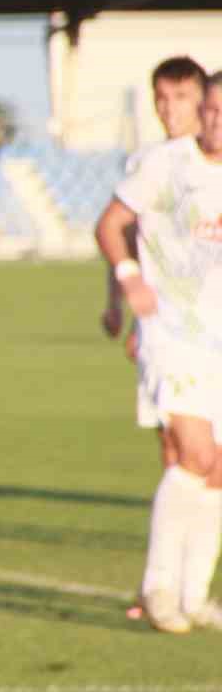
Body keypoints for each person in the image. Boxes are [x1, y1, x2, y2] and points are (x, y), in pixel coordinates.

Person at [95, 72, 222, 634]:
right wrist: (126, 287)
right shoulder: (162, 164)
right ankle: (159, 588)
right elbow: (113, 226)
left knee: (214, 471)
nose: (211, 119)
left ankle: (195, 597)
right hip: (171, 335)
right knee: (190, 455)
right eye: (212, 109)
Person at [100, 56, 207, 474]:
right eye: (161, 98)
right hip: (165, 328)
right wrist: (120, 304)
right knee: (173, 444)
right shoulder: (146, 164)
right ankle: (179, 538)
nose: (169, 109)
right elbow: (120, 238)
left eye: (181, 97)